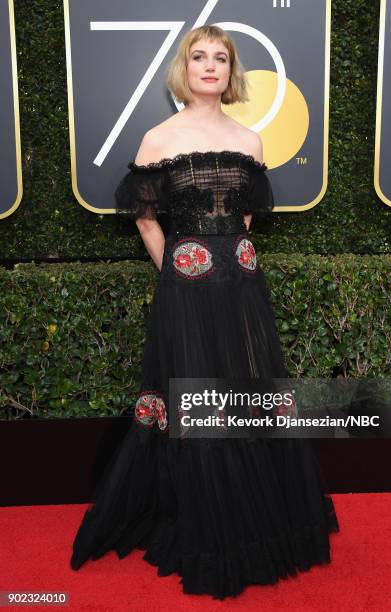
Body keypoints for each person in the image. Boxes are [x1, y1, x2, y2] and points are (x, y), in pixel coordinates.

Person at [70, 25, 339, 600]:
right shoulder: (158, 137)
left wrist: (220, 265)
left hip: (241, 286)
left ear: (231, 70)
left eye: (221, 57)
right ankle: (209, 520)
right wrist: (183, 269)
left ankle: (259, 514)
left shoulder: (250, 141)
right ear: (184, 69)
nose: (210, 66)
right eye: (200, 57)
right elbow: (146, 219)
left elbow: (243, 221)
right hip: (185, 290)